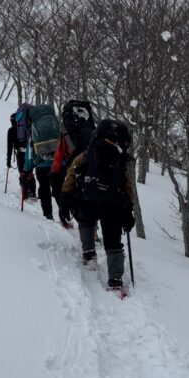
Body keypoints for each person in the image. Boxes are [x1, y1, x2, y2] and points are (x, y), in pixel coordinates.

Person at [60, 118, 137, 291]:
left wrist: (65, 198)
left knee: (86, 223)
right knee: (113, 241)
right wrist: (128, 210)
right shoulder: (120, 159)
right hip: (113, 204)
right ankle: (115, 278)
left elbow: (72, 173)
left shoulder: (87, 155)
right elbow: (127, 186)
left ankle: (88, 252)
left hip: (89, 198)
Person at [7, 111, 36, 201]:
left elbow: (9, 146)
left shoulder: (11, 131)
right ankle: (32, 192)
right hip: (29, 152)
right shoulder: (26, 128)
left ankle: (25, 192)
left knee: (22, 172)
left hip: (20, 152)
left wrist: (8, 159)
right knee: (29, 172)